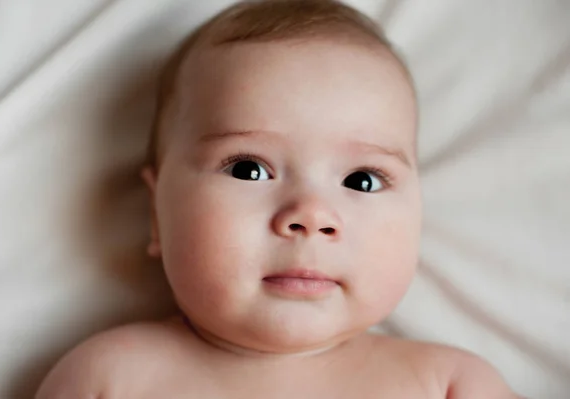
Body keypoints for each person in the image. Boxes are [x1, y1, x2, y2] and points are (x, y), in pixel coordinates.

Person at [37, 1, 520, 397]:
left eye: (363, 180)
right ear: (156, 215)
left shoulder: (451, 384)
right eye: (249, 169)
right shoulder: (107, 378)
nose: (310, 215)